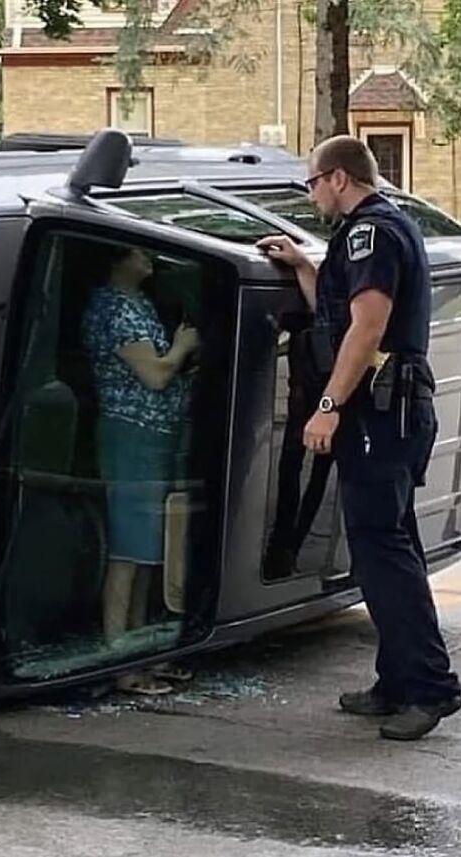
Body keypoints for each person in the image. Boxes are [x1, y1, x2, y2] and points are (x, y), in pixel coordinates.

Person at [256, 135, 461, 740]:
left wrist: (327, 405)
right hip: (392, 412)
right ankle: (396, 681)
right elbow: (341, 316)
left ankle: (429, 687)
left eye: (312, 183)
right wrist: (304, 268)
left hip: (379, 413)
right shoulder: (381, 228)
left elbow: (367, 327)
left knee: (383, 552)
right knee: (390, 547)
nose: (311, 194)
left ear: (338, 178)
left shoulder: (370, 232)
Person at [82, 245, 200, 695]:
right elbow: (153, 374)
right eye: (136, 251)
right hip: (132, 433)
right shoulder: (115, 308)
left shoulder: (139, 303)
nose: (147, 256)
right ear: (116, 259)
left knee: (148, 548)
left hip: (154, 434)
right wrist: (183, 347)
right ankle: (120, 660)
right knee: (128, 550)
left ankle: (141, 649)